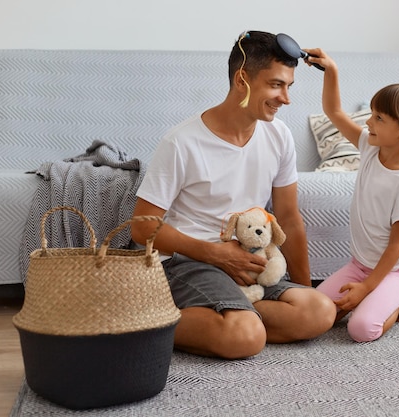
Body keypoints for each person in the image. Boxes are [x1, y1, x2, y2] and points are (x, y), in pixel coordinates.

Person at [131, 31, 336, 359]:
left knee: (320, 311)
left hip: (250, 263)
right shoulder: (182, 142)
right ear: (242, 79)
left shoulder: (279, 135)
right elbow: (142, 227)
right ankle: (139, 320)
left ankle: (236, 318)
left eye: (289, 86)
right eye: (276, 85)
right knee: (247, 338)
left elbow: (288, 219)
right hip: (190, 263)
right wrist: (215, 254)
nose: (286, 98)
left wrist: (302, 290)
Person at [303, 49, 399, 343]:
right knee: (314, 314)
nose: (369, 122)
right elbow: (335, 112)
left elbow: (396, 247)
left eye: (379, 118)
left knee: (361, 329)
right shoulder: (370, 147)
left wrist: (367, 288)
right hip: (360, 265)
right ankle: (383, 297)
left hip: (396, 271)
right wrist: (331, 70)